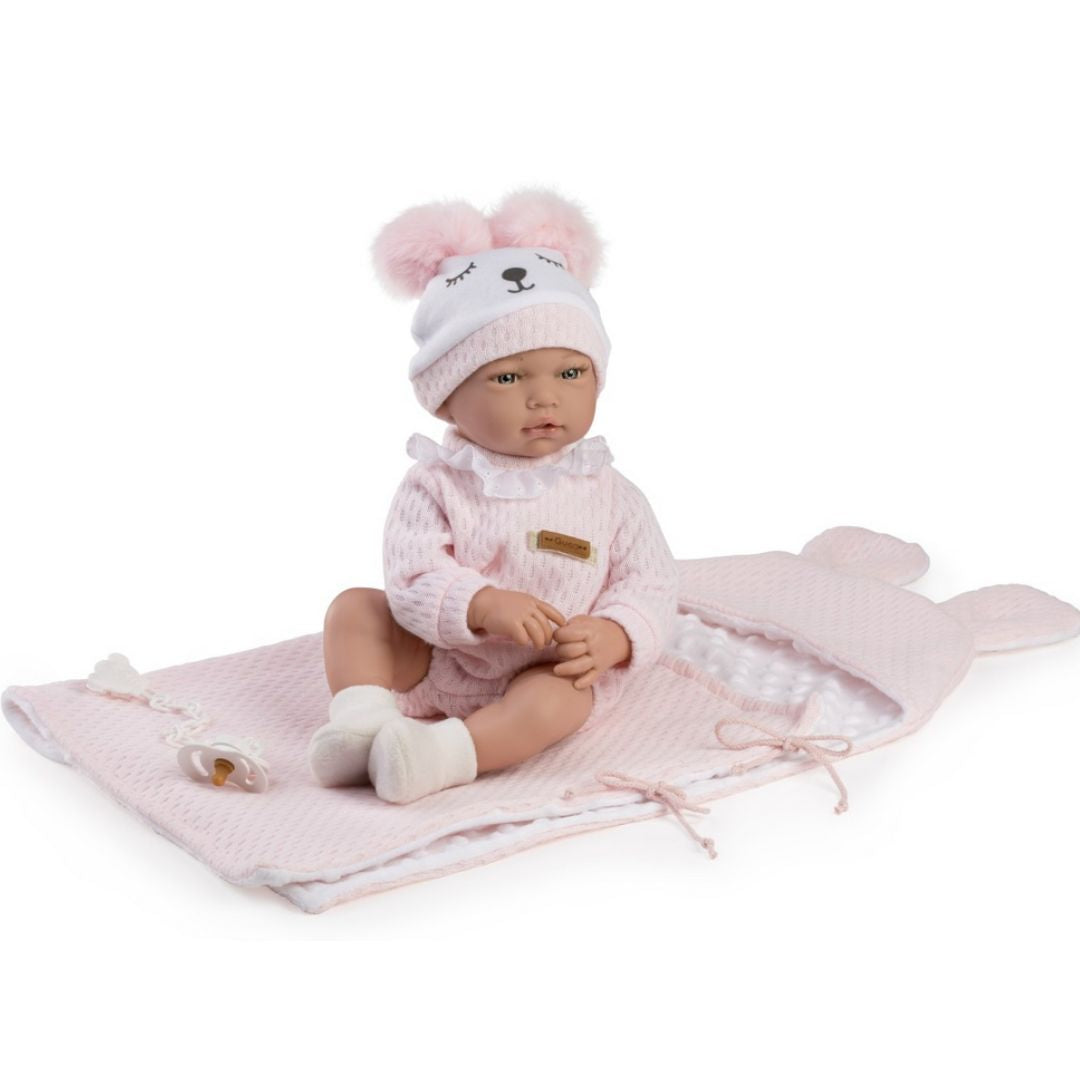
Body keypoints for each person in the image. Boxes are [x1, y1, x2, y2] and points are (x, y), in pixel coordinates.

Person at [308, 188, 678, 803]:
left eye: (570, 372)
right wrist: (479, 603)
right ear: (447, 398)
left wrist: (615, 634)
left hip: (546, 665)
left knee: (562, 701)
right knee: (356, 610)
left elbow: (652, 583)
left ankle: (441, 756)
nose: (545, 396)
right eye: (507, 377)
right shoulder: (435, 482)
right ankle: (360, 726)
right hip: (435, 656)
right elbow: (411, 574)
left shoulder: (611, 493)